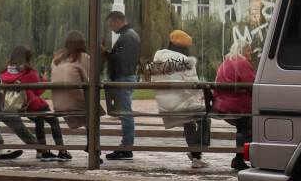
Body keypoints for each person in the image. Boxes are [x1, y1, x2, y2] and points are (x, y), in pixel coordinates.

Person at [145, 29, 208, 169]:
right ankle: (198, 153)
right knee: (203, 115)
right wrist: (198, 100)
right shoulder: (186, 61)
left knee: (190, 117)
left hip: (164, 105)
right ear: (185, 47)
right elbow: (194, 86)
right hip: (180, 105)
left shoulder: (158, 59)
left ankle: (196, 154)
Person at [2, 45, 64, 159]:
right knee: (53, 120)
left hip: (15, 105)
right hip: (31, 103)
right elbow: (38, 91)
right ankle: (62, 151)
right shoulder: (28, 72)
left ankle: (43, 151)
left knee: (39, 121)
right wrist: (44, 79)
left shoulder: (7, 70)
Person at [51, 31, 97, 159]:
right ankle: (92, 148)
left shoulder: (56, 58)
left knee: (92, 110)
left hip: (58, 103)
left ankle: (90, 146)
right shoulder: (83, 57)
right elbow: (90, 80)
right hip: (74, 102)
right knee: (95, 112)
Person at [102, 10, 141, 160]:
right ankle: (125, 146)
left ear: (118, 21)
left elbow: (120, 61)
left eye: (111, 25)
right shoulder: (131, 35)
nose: (111, 28)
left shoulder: (126, 37)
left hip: (123, 78)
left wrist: (105, 54)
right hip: (126, 77)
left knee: (126, 114)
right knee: (125, 114)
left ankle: (126, 148)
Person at [214, 38, 255, 171]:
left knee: (244, 126)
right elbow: (253, 86)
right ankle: (249, 158)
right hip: (238, 104)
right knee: (254, 126)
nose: (251, 53)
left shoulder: (226, 62)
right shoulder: (243, 64)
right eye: (249, 50)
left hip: (223, 104)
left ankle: (239, 158)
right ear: (242, 51)